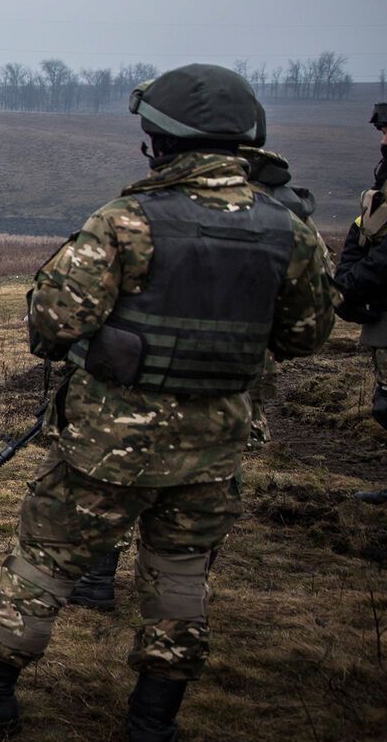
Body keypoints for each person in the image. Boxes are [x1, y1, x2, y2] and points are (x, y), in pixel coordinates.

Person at [0, 64, 336, 742]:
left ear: (160, 143)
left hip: (112, 441)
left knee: (45, 556)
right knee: (180, 572)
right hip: (217, 442)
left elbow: (49, 321)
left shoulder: (128, 221)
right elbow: (304, 334)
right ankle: (152, 725)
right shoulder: (289, 228)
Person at [67, 136, 313, 610]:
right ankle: (169, 610)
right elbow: (305, 333)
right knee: (198, 495)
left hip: (143, 392)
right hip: (224, 397)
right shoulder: (283, 224)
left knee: (120, 477)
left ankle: (103, 578)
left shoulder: (138, 217)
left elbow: (60, 316)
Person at [335, 88, 387, 514]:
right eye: (384, 133)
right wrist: (345, 284)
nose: (386, 141)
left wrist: (352, 286)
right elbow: (358, 236)